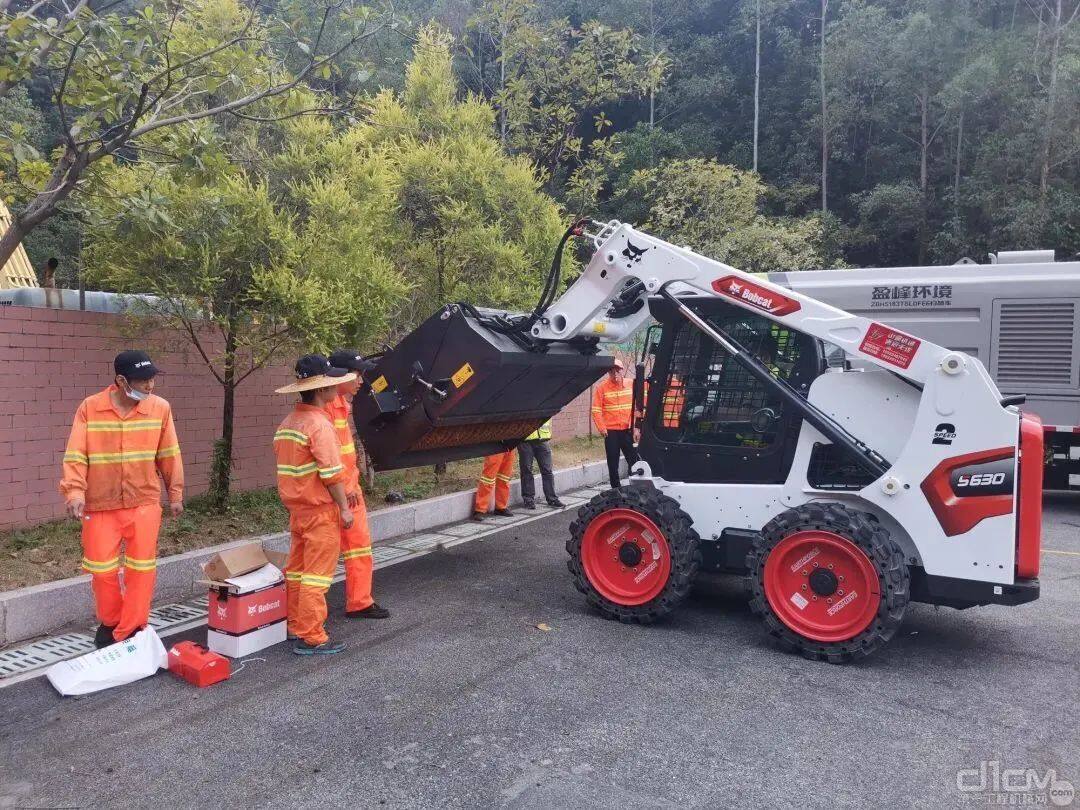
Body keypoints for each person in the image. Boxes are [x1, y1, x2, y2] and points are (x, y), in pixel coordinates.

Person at [60, 350, 184, 649]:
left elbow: (169, 453)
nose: (150, 386)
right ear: (121, 381)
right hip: (100, 504)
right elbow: (76, 454)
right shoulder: (90, 408)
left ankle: (133, 627)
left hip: (143, 502)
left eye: (152, 379)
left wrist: (175, 493)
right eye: (143, 381)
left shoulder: (160, 408)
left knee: (141, 570)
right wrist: (74, 492)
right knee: (101, 571)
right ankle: (112, 622)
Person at [274, 355, 356, 656]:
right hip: (320, 511)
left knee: (296, 570)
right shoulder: (318, 425)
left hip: (298, 511)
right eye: (331, 380)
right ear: (321, 388)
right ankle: (313, 635)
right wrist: (344, 508)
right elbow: (331, 474)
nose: (336, 384)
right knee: (316, 575)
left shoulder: (288, 423)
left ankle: (295, 625)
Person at [326, 349, 389, 620]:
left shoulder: (339, 404)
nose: (361, 379)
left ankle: (360, 601)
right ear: (338, 375)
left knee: (359, 547)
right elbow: (329, 457)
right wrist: (345, 489)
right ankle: (305, 618)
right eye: (357, 373)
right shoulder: (328, 408)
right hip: (339, 492)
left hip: (347, 488)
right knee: (324, 557)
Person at [592, 358, 640, 489]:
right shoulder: (601, 388)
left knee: (634, 461)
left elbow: (639, 407)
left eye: (617, 371)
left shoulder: (631, 384)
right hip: (611, 432)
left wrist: (637, 428)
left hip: (628, 431)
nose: (615, 374)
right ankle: (616, 489)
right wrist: (602, 428)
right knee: (613, 463)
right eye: (612, 371)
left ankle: (635, 486)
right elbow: (596, 410)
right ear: (608, 372)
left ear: (622, 371)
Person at [518, 419, 564, 509]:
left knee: (547, 470)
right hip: (525, 440)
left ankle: (552, 499)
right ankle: (528, 500)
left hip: (542, 439)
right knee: (526, 470)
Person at [472, 449, 516, 521]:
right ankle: (480, 510)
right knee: (488, 478)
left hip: (510, 445)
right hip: (495, 446)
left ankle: (501, 507)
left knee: (504, 478)